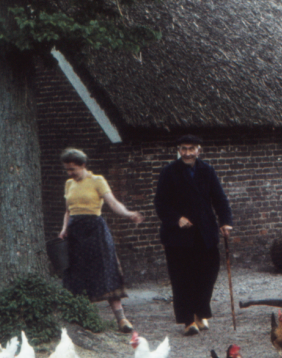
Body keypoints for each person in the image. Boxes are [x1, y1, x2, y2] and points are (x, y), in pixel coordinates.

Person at [154, 135, 233, 336]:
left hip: (205, 233)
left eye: (191, 149)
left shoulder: (207, 171)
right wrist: (176, 218)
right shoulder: (169, 172)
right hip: (178, 237)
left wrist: (225, 222)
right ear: (179, 150)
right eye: (183, 149)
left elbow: (220, 199)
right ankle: (188, 320)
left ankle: (200, 312)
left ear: (199, 150)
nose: (187, 153)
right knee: (182, 278)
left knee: (208, 275)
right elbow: (160, 203)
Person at [58, 148, 144, 332]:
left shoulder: (97, 181)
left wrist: (128, 214)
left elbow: (112, 203)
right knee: (76, 274)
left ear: (83, 165)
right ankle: (81, 318)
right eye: (67, 169)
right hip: (75, 233)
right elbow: (68, 211)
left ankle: (121, 320)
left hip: (95, 230)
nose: (70, 173)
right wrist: (64, 229)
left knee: (106, 271)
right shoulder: (68, 184)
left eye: (73, 169)